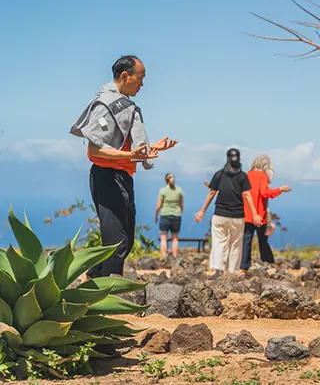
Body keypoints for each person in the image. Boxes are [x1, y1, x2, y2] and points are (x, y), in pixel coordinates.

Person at [69, 55, 178, 278]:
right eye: (140, 78)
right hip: (107, 177)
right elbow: (94, 150)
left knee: (125, 242)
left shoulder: (124, 104)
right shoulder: (107, 105)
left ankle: (94, 277)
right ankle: (109, 295)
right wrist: (130, 154)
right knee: (116, 244)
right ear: (125, 76)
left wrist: (150, 148)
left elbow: (123, 142)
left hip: (123, 176)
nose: (142, 84)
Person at [195, 149, 263, 273]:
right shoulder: (242, 176)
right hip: (237, 216)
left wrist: (202, 211)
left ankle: (218, 269)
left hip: (220, 215)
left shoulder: (219, 174)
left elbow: (211, 193)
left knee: (218, 242)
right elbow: (247, 195)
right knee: (235, 244)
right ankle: (232, 271)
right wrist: (255, 214)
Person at [242, 154, 291, 271]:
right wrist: (280, 190)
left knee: (246, 240)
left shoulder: (246, 175)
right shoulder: (263, 176)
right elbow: (264, 193)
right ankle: (268, 261)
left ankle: (244, 266)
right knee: (263, 240)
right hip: (259, 214)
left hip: (247, 213)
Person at [155, 172, 184, 260]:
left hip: (165, 215)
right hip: (177, 215)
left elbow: (158, 205)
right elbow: (181, 205)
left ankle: (164, 258)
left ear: (165, 181)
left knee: (164, 238)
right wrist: (179, 212)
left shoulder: (162, 191)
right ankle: (175, 258)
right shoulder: (179, 190)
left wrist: (156, 216)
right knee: (175, 238)